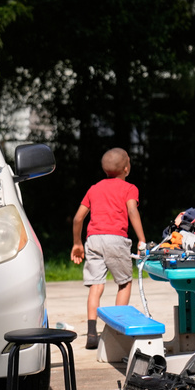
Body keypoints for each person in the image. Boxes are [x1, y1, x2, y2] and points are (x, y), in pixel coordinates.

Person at [70, 148, 147, 350]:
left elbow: (78, 218)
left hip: (93, 239)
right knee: (124, 282)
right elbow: (132, 210)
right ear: (126, 168)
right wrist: (141, 239)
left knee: (96, 286)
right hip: (116, 239)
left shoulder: (94, 188)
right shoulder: (129, 188)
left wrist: (77, 243)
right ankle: (115, 331)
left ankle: (92, 333)